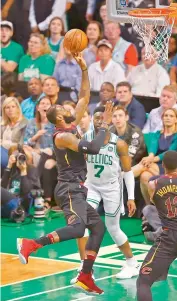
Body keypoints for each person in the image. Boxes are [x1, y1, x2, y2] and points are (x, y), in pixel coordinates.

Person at [17, 53, 113, 295]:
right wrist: (104, 126)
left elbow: (83, 95)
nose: (65, 105)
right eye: (61, 106)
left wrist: (83, 69)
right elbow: (93, 148)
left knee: (98, 228)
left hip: (78, 188)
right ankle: (31, 244)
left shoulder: (72, 123)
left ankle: (85, 274)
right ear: (59, 116)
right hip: (69, 188)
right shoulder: (63, 136)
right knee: (78, 229)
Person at [70, 106, 139, 284]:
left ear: (109, 121)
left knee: (113, 228)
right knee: (81, 224)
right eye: (97, 118)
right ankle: (85, 268)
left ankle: (132, 263)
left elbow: (127, 172)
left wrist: (130, 197)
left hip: (111, 189)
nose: (99, 121)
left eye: (103, 118)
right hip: (92, 186)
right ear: (92, 120)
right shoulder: (86, 138)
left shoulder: (119, 143)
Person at [137, 150, 177, 301]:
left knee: (143, 281)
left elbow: (155, 202)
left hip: (167, 238)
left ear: (163, 165)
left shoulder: (153, 184)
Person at [133, 108, 177, 204]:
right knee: (144, 176)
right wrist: (150, 157)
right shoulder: (157, 134)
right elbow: (153, 148)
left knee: (144, 165)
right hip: (155, 165)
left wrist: (151, 159)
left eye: (171, 116)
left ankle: (124, 175)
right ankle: (149, 208)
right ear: (162, 118)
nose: (168, 118)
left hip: (171, 167)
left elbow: (169, 153)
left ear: (176, 119)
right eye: (166, 115)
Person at [23, 96, 56, 209]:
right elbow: (26, 143)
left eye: (47, 103)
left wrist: (39, 150)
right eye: (42, 103)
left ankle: (37, 190)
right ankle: (25, 194)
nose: (45, 105)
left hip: (50, 154)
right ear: (37, 107)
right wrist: (35, 137)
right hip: (34, 153)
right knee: (25, 152)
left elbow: (54, 147)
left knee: (45, 155)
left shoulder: (54, 124)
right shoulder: (32, 123)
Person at [1, 144, 41, 219]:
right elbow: (3, 187)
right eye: (15, 156)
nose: (17, 158)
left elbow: (27, 193)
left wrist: (23, 171)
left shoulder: (32, 169)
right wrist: (8, 166)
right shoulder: (11, 169)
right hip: (8, 204)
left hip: (21, 205)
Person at [1, 97, 28, 171]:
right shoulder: (2, 123)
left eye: (13, 107)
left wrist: (3, 143)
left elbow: (21, 144)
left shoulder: (25, 123)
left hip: (15, 152)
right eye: (7, 107)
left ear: (18, 108)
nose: (10, 109)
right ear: (4, 110)